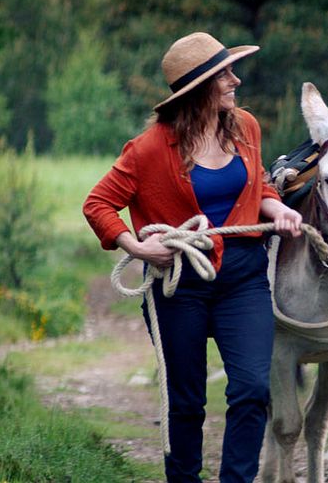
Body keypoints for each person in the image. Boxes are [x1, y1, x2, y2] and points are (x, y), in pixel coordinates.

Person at [83, 32, 302, 483]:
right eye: (226, 75)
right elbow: (98, 204)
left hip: (243, 274)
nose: (235, 81)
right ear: (202, 87)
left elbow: (256, 184)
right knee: (186, 402)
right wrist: (137, 246)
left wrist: (278, 208)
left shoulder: (246, 127)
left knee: (252, 389)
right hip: (179, 280)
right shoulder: (146, 150)